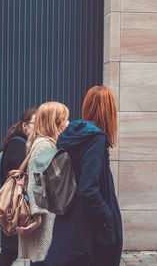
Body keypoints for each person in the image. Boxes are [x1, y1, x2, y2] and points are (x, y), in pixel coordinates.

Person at [44, 86, 123, 266]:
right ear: (109, 110)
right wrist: (108, 217)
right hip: (91, 226)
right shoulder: (96, 138)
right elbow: (89, 187)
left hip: (72, 219)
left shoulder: (72, 134)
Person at [17, 102, 70, 266]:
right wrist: (37, 217)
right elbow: (36, 181)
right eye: (64, 119)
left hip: (47, 215)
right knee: (44, 259)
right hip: (45, 220)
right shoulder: (44, 145)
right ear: (53, 121)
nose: (68, 123)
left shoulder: (42, 142)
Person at [0, 108, 37, 266]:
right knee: (9, 252)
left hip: (16, 206)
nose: (39, 127)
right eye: (36, 124)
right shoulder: (18, 145)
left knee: (10, 252)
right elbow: (18, 177)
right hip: (14, 207)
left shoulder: (20, 142)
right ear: (25, 126)